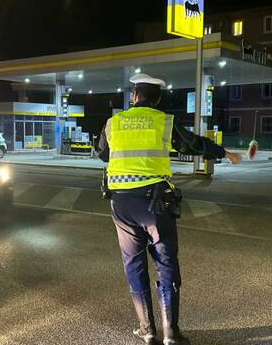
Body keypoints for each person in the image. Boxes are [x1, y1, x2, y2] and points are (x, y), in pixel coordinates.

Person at [95, 73, 242, 345]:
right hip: (155, 203)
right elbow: (194, 144)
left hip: (122, 204)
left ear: (135, 97)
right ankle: (171, 334)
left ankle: (147, 330)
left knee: (134, 265)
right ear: (158, 99)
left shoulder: (113, 123)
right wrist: (225, 153)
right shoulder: (164, 122)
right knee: (165, 264)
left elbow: (101, 153)